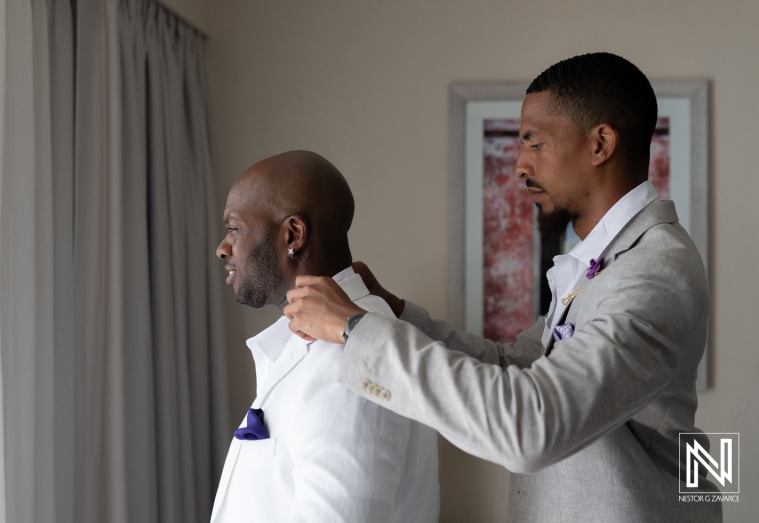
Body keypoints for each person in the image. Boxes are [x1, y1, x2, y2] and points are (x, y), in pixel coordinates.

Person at [283, 53, 722, 522]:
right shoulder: (600, 262)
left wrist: (354, 330)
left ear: (601, 144)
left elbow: (532, 427)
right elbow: (514, 364)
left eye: (535, 143)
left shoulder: (655, 270)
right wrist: (393, 311)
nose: (518, 165)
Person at [209, 150, 439, 523]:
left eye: (234, 228)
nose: (223, 248)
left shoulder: (350, 357)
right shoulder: (310, 339)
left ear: (293, 235)